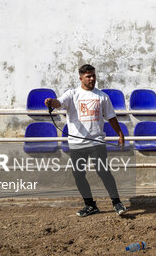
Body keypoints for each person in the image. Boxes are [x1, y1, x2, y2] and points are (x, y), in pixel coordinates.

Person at [44, 64, 127, 218]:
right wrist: (51, 102)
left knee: (104, 172)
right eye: (88, 76)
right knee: (78, 175)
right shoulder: (72, 94)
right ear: (80, 78)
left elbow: (111, 117)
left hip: (96, 142)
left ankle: (117, 202)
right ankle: (90, 205)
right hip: (77, 144)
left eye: (93, 75)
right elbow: (59, 103)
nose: (92, 79)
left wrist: (120, 133)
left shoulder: (102, 96)